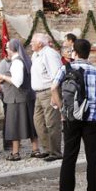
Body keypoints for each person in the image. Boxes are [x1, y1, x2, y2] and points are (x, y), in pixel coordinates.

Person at [51, 39, 96, 191]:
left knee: (69, 157)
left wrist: (63, 108)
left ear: (74, 52)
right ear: (89, 52)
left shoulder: (65, 69)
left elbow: (53, 87)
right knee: (93, 159)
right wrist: (92, 97)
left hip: (70, 119)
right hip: (91, 120)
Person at [0, 39, 41, 161]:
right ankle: (35, 149)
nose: (6, 50)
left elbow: (17, 81)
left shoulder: (16, 62)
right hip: (27, 97)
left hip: (16, 98)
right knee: (31, 124)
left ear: (12, 49)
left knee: (14, 125)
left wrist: (3, 76)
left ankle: (15, 153)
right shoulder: (26, 60)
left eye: (7, 48)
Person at [30, 33, 63, 161]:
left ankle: (56, 152)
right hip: (38, 93)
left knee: (52, 123)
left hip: (49, 91)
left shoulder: (49, 54)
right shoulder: (35, 55)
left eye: (33, 41)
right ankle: (48, 149)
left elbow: (57, 74)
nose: (31, 43)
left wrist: (55, 95)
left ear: (40, 43)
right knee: (38, 122)